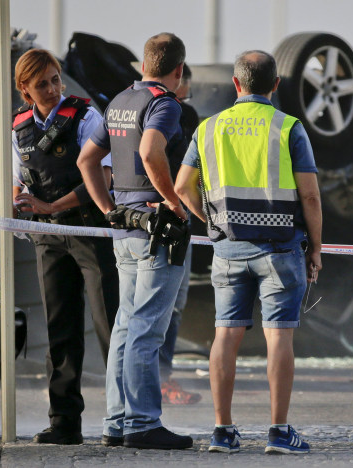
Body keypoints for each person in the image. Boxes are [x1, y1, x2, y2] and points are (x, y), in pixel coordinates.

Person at [175, 50, 322, 454]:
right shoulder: (288, 127)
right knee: (280, 338)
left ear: (236, 85)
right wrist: (317, 248)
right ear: (276, 86)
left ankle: (222, 432)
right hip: (280, 249)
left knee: (225, 334)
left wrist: (211, 221)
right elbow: (309, 194)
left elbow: (181, 186)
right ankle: (278, 432)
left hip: (228, 247)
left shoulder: (208, 128)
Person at [77, 32, 193, 450]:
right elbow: (150, 151)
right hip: (156, 231)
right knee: (146, 329)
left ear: (143, 65)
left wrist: (108, 207)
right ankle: (143, 422)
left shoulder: (119, 101)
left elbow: (86, 159)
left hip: (124, 228)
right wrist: (172, 201)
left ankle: (117, 421)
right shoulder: (164, 103)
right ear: (178, 70)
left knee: (126, 326)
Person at [11, 48, 119, 445]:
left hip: (90, 231)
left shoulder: (86, 116)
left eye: (56, 78)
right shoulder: (18, 127)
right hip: (49, 237)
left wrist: (52, 205)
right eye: (43, 83)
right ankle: (64, 422)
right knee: (61, 330)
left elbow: (104, 176)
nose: (53, 88)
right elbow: (18, 178)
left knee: (109, 325)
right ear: (25, 89)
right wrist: (18, 199)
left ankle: (122, 418)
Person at [159, 63, 202, 405]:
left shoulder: (133, 103)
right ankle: (159, 379)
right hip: (172, 216)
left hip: (150, 216)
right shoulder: (182, 113)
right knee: (169, 302)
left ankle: (159, 378)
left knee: (165, 303)